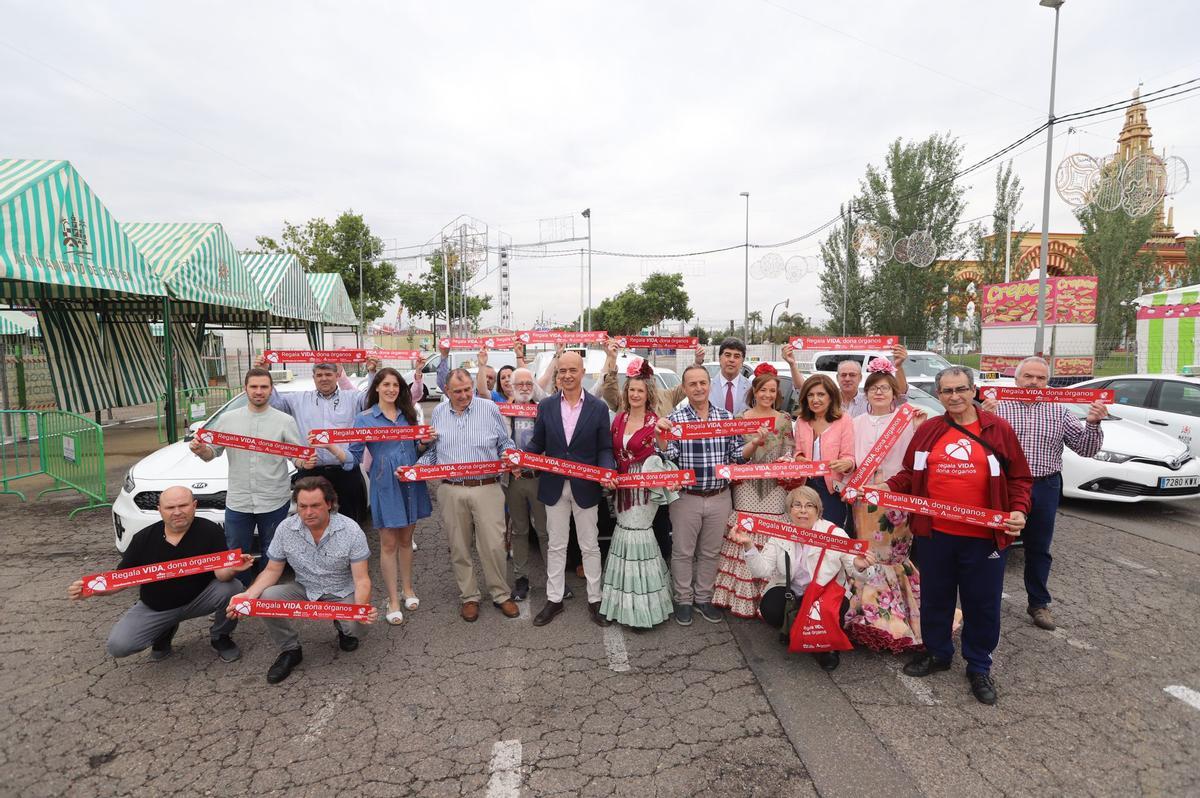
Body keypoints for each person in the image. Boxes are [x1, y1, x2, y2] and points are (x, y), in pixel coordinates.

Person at [877, 366, 1031, 706]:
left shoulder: (997, 429)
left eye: (961, 389)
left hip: (984, 538)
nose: (954, 396)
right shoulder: (930, 431)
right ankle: (938, 653)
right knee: (936, 598)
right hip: (935, 534)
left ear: (973, 390)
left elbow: (1020, 478)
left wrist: (1018, 511)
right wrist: (884, 487)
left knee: (982, 603)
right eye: (947, 391)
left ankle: (978, 665)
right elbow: (908, 474)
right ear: (939, 395)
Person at [980, 355, 1106, 632]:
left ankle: (1038, 603)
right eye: (1029, 377)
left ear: (1048, 383)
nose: (1034, 382)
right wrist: (984, 419)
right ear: (1016, 379)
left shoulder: (1059, 411)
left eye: (1041, 378)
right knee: (994, 546)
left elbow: (1085, 448)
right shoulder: (997, 408)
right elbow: (978, 448)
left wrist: (1094, 423)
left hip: (1044, 485)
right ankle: (985, 601)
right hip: (1005, 487)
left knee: (1038, 548)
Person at [69, 487, 254, 663]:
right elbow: (120, 580)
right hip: (156, 608)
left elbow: (222, 575)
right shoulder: (143, 538)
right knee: (119, 646)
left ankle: (220, 636)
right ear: (160, 510)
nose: (177, 512)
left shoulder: (210, 530)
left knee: (234, 587)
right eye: (170, 507)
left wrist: (233, 568)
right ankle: (164, 629)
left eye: (183, 506)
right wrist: (92, 589)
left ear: (194, 506)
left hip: (198, 599)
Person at [227, 477, 377, 683]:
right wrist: (248, 595)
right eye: (303, 506)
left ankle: (343, 627)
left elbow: (361, 580)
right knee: (265, 598)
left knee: (356, 628)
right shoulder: (285, 529)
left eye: (315, 505)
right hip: (305, 588)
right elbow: (272, 570)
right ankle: (290, 650)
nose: (308, 512)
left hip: (341, 591)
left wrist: (360, 608)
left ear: (330, 504)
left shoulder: (351, 531)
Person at [255, 355, 425, 524]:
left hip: (346, 472)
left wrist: (372, 372)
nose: (324, 379)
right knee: (311, 524)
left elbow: (373, 400)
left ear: (337, 375)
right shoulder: (297, 399)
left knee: (349, 523)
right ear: (313, 377)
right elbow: (274, 404)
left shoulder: (352, 398)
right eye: (319, 375)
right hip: (311, 473)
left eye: (328, 374)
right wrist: (264, 372)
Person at [728, 485, 875, 671]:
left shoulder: (835, 534)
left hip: (823, 594)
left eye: (809, 506)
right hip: (792, 591)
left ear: (818, 510)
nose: (803, 511)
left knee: (837, 607)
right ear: (790, 510)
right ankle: (794, 628)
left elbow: (859, 574)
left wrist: (859, 566)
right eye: (797, 505)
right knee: (770, 606)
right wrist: (748, 545)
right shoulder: (781, 533)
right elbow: (762, 571)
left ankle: (827, 648)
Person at [416, 367, 521, 622]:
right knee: (459, 547)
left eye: (467, 390)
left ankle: (500, 594)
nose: (464, 396)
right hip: (451, 489)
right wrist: (415, 469)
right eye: (458, 392)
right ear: (447, 391)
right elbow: (434, 453)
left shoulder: (490, 409)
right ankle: (469, 597)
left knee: (494, 546)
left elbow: (504, 443)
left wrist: (510, 455)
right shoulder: (439, 413)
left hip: (487, 487)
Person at [189, 367, 308, 586]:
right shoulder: (227, 420)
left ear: (272, 389)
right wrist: (200, 450)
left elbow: (297, 457)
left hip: (273, 499)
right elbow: (211, 453)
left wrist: (305, 461)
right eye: (254, 387)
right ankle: (240, 594)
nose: (259, 391)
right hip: (239, 499)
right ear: (245, 389)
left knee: (272, 551)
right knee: (236, 553)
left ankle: (263, 594)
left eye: (264, 387)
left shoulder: (284, 421)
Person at [656, 364, 755, 626]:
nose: (699, 388)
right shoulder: (675, 420)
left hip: (720, 496)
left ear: (709, 385)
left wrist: (754, 444)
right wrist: (661, 436)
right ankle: (684, 600)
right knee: (683, 552)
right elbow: (669, 457)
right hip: (687, 498)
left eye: (703, 383)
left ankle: (703, 598)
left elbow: (736, 456)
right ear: (685, 388)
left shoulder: (725, 417)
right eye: (692, 384)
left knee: (711, 552)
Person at [526, 351, 618, 628]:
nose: (566, 375)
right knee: (556, 545)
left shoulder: (598, 408)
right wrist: (520, 458)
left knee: (589, 545)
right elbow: (536, 444)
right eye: (562, 370)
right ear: (557, 374)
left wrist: (606, 471)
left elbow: (604, 448)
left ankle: (595, 598)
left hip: (586, 486)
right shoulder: (547, 406)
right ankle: (554, 599)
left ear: (582, 372)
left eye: (572, 370)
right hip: (554, 485)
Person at [844, 363, 928, 652]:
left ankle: (903, 614)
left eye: (885, 388)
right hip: (864, 502)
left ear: (895, 393)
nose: (879, 393)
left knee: (894, 556)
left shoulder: (907, 421)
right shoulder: (854, 423)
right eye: (874, 388)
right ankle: (868, 615)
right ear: (865, 394)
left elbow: (918, 461)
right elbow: (848, 459)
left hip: (896, 500)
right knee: (868, 554)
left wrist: (918, 430)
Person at [347, 367, 433, 626]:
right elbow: (353, 455)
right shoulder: (364, 419)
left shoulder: (408, 415)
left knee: (407, 540)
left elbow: (415, 448)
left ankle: (408, 589)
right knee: (388, 544)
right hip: (385, 484)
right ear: (376, 388)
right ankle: (392, 599)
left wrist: (425, 442)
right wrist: (331, 449)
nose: (391, 389)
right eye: (386, 385)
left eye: (396, 385)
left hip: (411, 481)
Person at [599, 358, 678, 628]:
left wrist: (662, 434)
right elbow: (610, 450)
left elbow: (664, 450)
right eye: (631, 390)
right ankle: (621, 604)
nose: (634, 394)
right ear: (626, 392)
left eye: (640, 391)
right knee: (622, 533)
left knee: (638, 535)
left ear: (648, 394)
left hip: (643, 486)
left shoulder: (655, 421)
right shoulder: (619, 418)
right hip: (621, 484)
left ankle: (644, 608)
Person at [712, 364, 796, 618]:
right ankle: (740, 596)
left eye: (772, 391)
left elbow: (789, 449)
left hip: (774, 488)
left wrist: (786, 462)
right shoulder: (740, 419)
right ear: (754, 392)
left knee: (771, 532)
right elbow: (734, 454)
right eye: (763, 390)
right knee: (745, 530)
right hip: (746, 485)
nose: (768, 395)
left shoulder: (784, 420)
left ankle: (770, 595)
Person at [501, 367, 548, 602]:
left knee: (544, 531)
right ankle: (521, 578)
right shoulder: (504, 412)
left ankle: (554, 577)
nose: (525, 388)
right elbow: (500, 440)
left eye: (529, 384)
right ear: (511, 386)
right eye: (520, 384)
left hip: (538, 477)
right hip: (514, 479)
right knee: (519, 531)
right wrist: (512, 461)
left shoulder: (542, 409)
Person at [792, 374, 856, 527]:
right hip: (806, 485)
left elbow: (849, 457)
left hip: (832, 489)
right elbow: (797, 451)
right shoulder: (802, 420)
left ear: (831, 397)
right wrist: (799, 458)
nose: (815, 399)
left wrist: (846, 464)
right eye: (810, 395)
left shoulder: (844, 420)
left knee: (830, 533)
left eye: (821, 394)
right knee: (807, 531)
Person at [783, 344, 910, 418]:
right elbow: (803, 389)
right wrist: (793, 365)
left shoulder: (871, 399)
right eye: (843, 375)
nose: (847, 379)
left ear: (860, 378)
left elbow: (900, 396)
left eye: (852, 375)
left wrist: (898, 366)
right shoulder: (828, 399)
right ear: (837, 378)